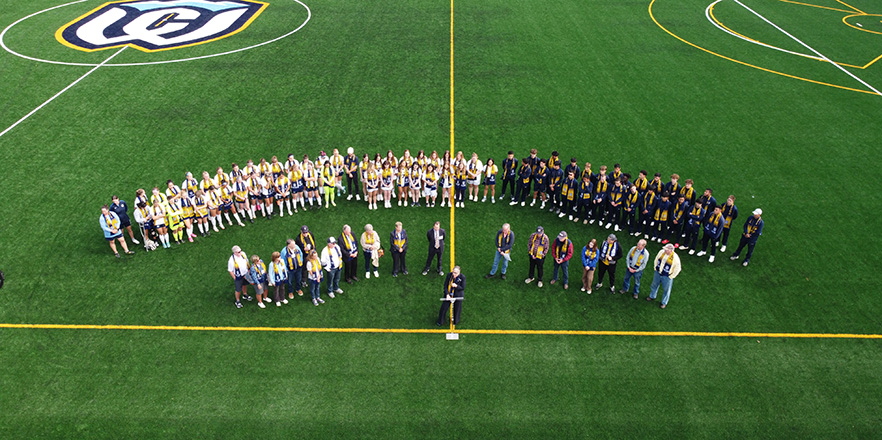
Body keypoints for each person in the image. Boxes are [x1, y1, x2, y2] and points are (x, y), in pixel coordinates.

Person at [647, 243, 682, 309]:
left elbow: (678, 269)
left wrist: (671, 276)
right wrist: (655, 267)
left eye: (666, 250)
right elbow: (656, 259)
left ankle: (664, 302)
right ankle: (652, 296)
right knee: (654, 285)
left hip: (667, 276)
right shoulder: (661, 252)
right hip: (658, 273)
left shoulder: (675, 258)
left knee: (666, 290)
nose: (665, 251)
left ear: (671, 251)